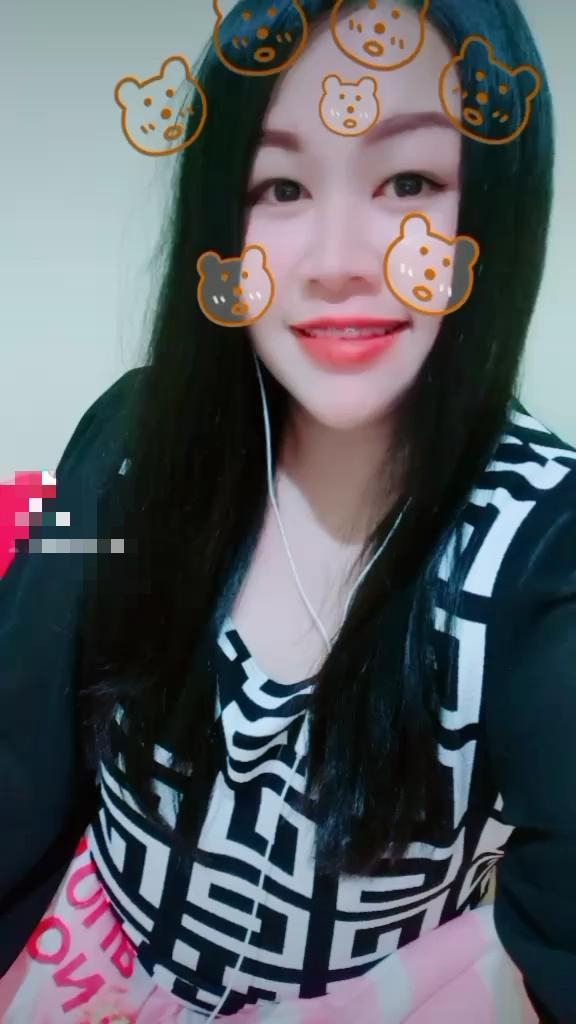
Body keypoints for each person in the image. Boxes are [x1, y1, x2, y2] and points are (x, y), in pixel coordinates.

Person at [1, 0, 575, 1021]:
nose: (336, 259)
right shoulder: (127, 437)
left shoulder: (545, 544)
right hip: (78, 958)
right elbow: (17, 723)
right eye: (280, 186)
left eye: (409, 181)